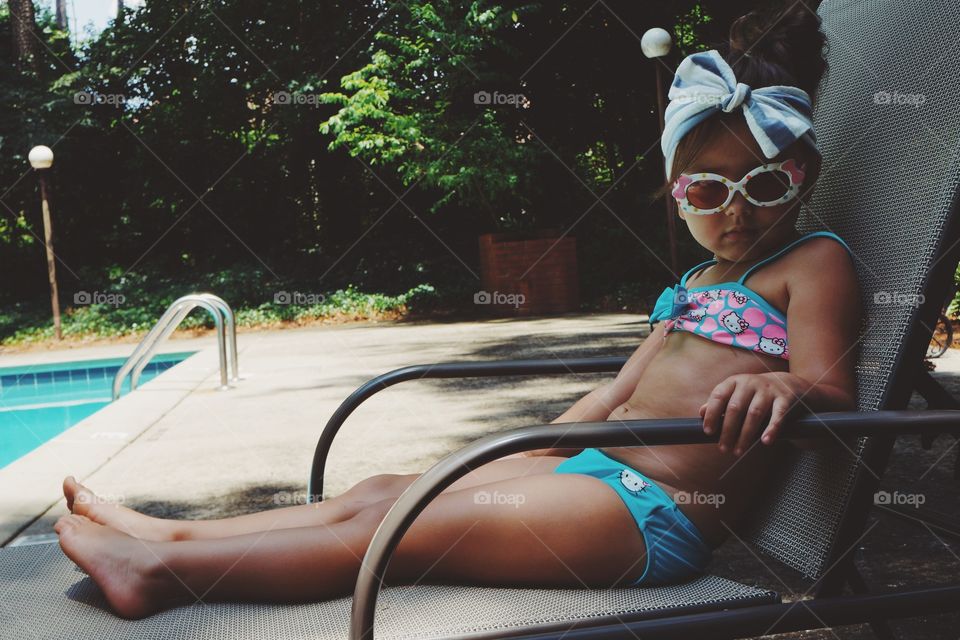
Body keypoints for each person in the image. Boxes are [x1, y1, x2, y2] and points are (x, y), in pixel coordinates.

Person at [54, 2, 860, 619]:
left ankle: (159, 575)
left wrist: (789, 388)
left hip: (654, 514)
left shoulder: (809, 263)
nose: (737, 210)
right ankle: (171, 533)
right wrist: (519, 455)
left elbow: (834, 394)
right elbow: (616, 398)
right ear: (676, 193)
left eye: (766, 183)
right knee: (382, 489)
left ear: (802, 175)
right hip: (591, 471)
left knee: (398, 530)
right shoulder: (694, 284)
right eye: (707, 189)